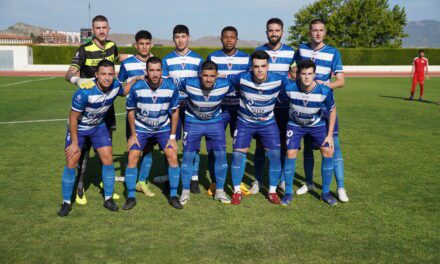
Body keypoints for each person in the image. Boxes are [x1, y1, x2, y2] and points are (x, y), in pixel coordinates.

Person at [58, 60, 138, 217]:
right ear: (96, 75)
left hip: (98, 128)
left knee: (107, 159)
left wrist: (136, 80)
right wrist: (74, 143)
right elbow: (73, 118)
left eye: (110, 74)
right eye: (103, 74)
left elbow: (124, 91)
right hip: (79, 128)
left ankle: (108, 199)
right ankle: (66, 202)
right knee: (72, 161)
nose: (107, 78)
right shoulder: (84, 92)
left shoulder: (115, 86)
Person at [64, 15, 127, 204]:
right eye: (97, 28)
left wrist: (140, 61)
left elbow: (119, 58)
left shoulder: (111, 46)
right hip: (88, 105)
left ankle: (104, 184)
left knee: (105, 149)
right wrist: (77, 80)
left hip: (106, 107)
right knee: (82, 152)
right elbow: (68, 73)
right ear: (93, 30)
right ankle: (80, 187)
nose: (101, 31)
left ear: (108, 28)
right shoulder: (84, 50)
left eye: (104, 27)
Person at [292, 19, 349, 202]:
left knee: (334, 147)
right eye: (314, 30)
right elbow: (292, 70)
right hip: (306, 106)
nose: (317, 33)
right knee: (308, 147)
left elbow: (341, 81)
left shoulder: (333, 52)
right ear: (309, 32)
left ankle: (340, 187)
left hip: (325, 107)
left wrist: (326, 84)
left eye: (321, 30)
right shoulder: (301, 49)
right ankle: (309, 183)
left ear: (325, 32)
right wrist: (300, 82)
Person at [228, 50, 290, 205]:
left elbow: (296, 89)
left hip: (267, 123)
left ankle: (272, 191)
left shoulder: (280, 80)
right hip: (245, 122)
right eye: (256, 66)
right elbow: (223, 82)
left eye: (263, 66)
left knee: (275, 155)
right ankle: (236, 191)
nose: (260, 70)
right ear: (251, 67)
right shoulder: (241, 78)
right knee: (237, 155)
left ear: (268, 66)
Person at [124, 57, 182, 210]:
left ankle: (174, 195)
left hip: (163, 128)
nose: (155, 74)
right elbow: (131, 112)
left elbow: (175, 112)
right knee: (133, 156)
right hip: (141, 128)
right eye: (151, 70)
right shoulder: (137, 87)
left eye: (158, 70)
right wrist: (133, 134)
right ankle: (130, 196)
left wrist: (172, 137)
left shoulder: (171, 87)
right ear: (146, 71)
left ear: (162, 71)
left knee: (172, 155)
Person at [281, 59, 338, 206]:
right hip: (295, 125)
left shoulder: (324, 91)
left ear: (314, 74)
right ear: (298, 74)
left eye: (310, 74)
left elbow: (332, 111)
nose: (306, 77)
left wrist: (330, 135)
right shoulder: (289, 88)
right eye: (303, 73)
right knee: (290, 153)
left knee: (328, 152)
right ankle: (287, 193)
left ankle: (325, 193)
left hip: (317, 125)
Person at [178, 61, 234, 205]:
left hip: (214, 122)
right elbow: (172, 90)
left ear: (217, 76)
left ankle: (220, 191)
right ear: (199, 75)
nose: (208, 79)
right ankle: (185, 192)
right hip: (192, 122)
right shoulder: (188, 83)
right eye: (205, 76)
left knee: (221, 155)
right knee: (187, 156)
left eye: (212, 76)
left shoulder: (226, 84)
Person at [206, 26, 251, 196]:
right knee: (214, 145)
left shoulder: (246, 58)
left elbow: (247, 81)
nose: (229, 40)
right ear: (221, 39)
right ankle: (215, 181)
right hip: (220, 107)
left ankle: (237, 182)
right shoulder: (213, 57)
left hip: (240, 108)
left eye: (232, 37)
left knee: (239, 147)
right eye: (226, 37)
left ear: (236, 39)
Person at [252, 18, 295, 194]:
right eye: (271, 30)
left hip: (284, 107)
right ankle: (257, 180)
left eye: (277, 30)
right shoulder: (258, 51)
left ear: (282, 32)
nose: (274, 33)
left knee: (284, 144)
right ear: (267, 32)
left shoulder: (292, 53)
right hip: (264, 107)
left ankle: (283, 180)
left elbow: (295, 75)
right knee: (261, 144)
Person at [162, 25, 204, 194]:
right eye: (177, 36)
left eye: (183, 36)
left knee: (193, 144)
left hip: (192, 107)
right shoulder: (166, 60)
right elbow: (165, 84)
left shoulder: (198, 59)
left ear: (189, 38)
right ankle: (170, 176)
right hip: (173, 108)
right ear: (173, 39)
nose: (180, 40)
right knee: (170, 142)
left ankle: (194, 178)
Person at [118, 30, 156, 197]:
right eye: (141, 44)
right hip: (134, 115)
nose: (144, 47)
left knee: (148, 150)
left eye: (147, 43)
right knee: (133, 149)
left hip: (153, 116)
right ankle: (131, 182)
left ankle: (142, 182)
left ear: (151, 44)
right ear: (136, 45)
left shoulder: (157, 63)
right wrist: (134, 80)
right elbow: (120, 90)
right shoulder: (127, 64)